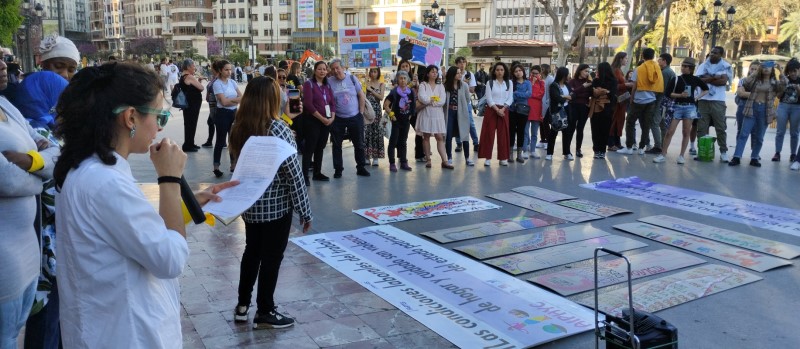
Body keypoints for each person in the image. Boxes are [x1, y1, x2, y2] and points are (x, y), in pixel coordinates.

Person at [53, 62, 236, 348]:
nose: (160, 128)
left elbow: (133, 233)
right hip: (126, 333)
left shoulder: (91, 168)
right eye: (160, 116)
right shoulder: (106, 182)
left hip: (108, 326)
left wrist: (187, 204)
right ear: (130, 118)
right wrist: (169, 178)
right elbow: (170, 259)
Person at [228, 76, 312, 329]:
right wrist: (305, 211)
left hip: (250, 205)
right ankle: (265, 310)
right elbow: (293, 174)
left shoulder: (239, 126)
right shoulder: (277, 129)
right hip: (276, 206)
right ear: (271, 99)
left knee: (251, 253)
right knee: (272, 258)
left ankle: (243, 306)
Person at [0, 59, 60, 349]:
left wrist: (29, 161)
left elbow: (54, 153)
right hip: (4, 257)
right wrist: (40, 176)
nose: (2, 65)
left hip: (27, 251)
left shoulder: (7, 107)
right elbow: (5, 179)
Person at [653, 57, 709, 165]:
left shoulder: (695, 79)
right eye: (682, 66)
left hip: (690, 107)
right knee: (670, 131)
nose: (683, 68)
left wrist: (697, 97)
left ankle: (681, 155)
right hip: (677, 106)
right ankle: (663, 154)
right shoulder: (676, 79)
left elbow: (706, 89)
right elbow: (668, 93)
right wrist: (680, 95)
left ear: (691, 68)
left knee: (686, 131)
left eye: (686, 66)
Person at [730, 61, 780, 167]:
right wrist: (756, 71)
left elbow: (783, 86)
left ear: (772, 70)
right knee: (744, 133)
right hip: (752, 107)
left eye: (768, 67)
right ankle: (737, 157)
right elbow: (745, 82)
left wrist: (780, 70)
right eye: (764, 67)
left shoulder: (774, 82)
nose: (766, 69)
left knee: (759, 136)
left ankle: (754, 157)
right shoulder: (755, 80)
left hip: (765, 110)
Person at [327, 58, 370, 178]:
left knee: (359, 144)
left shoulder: (352, 78)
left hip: (355, 116)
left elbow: (361, 95)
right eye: (333, 69)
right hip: (338, 118)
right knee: (336, 145)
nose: (336, 71)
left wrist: (361, 113)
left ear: (343, 68)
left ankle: (361, 167)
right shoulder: (329, 81)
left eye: (337, 68)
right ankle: (338, 170)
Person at [618, 48, 663, 155]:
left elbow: (634, 85)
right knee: (646, 124)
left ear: (643, 56)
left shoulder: (639, 68)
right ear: (653, 56)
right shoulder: (657, 67)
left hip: (639, 100)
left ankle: (629, 147)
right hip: (651, 100)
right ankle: (642, 148)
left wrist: (632, 98)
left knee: (630, 122)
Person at [695, 46, 734, 162]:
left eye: (715, 53)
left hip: (718, 101)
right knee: (701, 128)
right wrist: (714, 77)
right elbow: (699, 80)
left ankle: (723, 152)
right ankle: (701, 151)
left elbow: (723, 82)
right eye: (711, 52)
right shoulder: (703, 66)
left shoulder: (725, 66)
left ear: (721, 55)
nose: (712, 54)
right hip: (703, 100)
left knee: (720, 128)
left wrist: (707, 78)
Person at [302, 61, 335, 185]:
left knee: (320, 147)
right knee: (310, 148)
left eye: (324, 69)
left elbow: (332, 103)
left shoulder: (328, 86)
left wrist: (332, 117)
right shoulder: (308, 84)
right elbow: (308, 104)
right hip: (313, 121)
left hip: (326, 121)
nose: (322, 71)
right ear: (315, 70)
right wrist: (322, 118)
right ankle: (304, 176)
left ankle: (317, 173)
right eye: (320, 69)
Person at [416, 65, 451, 169]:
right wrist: (431, 101)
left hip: (437, 115)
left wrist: (431, 101)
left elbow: (442, 101)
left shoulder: (441, 86)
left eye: (436, 72)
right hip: (426, 113)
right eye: (432, 72)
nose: (434, 73)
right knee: (426, 136)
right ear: (427, 73)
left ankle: (444, 161)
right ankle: (428, 160)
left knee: (439, 137)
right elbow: (422, 97)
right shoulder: (423, 85)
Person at [478, 62, 513, 166]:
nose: (499, 72)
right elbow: (488, 98)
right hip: (492, 110)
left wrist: (503, 108)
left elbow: (510, 97)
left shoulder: (509, 83)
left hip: (504, 110)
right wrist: (497, 109)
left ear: (505, 71)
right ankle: (487, 158)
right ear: (494, 71)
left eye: (502, 70)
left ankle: (503, 158)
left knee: (503, 135)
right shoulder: (490, 83)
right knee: (488, 134)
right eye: (497, 70)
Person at [212, 60, 242, 177]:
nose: (229, 72)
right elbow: (223, 102)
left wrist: (231, 101)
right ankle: (216, 166)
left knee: (233, 140)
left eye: (230, 69)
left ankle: (233, 165)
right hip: (222, 114)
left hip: (234, 113)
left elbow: (242, 97)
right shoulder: (217, 84)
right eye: (226, 69)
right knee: (220, 141)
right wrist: (235, 101)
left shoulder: (233, 82)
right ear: (220, 70)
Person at [383, 70, 416, 172]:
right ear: (397, 79)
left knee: (403, 142)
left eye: (404, 78)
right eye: (401, 78)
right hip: (396, 121)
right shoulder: (394, 92)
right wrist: (392, 116)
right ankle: (392, 163)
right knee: (393, 142)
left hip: (406, 121)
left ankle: (403, 162)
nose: (402, 80)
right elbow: (386, 105)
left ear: (407, 80)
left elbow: (413, 106)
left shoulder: (411, 92)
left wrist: (410, 116)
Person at [443, 66, 474, 167]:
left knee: (464, 134)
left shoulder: (464, 85)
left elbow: (467, 99)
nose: (460, 75)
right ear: (452, 75)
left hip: (461, 112)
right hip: (449, 112)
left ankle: (468, 158)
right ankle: (449, 158)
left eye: (460, 73)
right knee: (448, 135)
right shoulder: (445, 86)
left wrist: (462, 106)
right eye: (458, 73)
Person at [773, 58, 800, 163]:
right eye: (790, 71)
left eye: (795, 71)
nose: (792, 73)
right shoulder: (784, 79)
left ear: (798, 70)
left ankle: (793, 154)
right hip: (783, 106)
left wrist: (798, 89)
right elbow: (778, 96)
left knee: (794, 132)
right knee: (780, 131)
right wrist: (783, 88)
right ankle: (777, 153)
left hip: (797, 107)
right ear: (787, 71)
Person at [589, 62, 617, 159]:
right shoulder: (613, 81)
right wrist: (605, 91)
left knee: (595, 129)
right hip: (608, 109)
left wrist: (599, 91)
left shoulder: (596, 81)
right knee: (605, 130)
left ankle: (596, 150)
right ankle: (602, 151)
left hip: (596, 108)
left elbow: (593, 93)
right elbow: (611, 95)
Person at [650, 53, 676, 154]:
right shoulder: (669, 71)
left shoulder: (665, 73)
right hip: (667, 101)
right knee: (662, 124)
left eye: (660, 59)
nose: (658, 61)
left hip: (662, 101)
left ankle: (658, 146)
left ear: (664, 61)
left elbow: (661, 89)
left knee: (654, 123)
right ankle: (663, 146)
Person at [545, 67, 573, 161]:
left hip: (566, 109)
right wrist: (566, 97)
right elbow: (557, 98)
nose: (568, 76)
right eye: (567, 74)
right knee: (553, 132)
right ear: (563, 75)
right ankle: (549, 153)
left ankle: (567, 152)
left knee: (567, 132)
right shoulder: (554, 85)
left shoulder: (567, 85)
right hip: (556, 111)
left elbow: (573, 94)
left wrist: (565, 96)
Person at [178, 59, 205, 152]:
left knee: (190, 123)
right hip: (192, 104)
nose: (195, 68)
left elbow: (193, 88)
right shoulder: (189, 76)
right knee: (191, 123)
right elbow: (201, 88)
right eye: (194, 66)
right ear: (188, 67)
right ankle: (188, 145)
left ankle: (190, 143)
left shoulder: (183, 76)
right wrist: (199, 82)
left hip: (189, 103)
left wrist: (199, 81)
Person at [454, 57, 480, 152]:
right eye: (460, 62)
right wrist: (464, 83)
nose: (462, 64)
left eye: (463, 62)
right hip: (456, 102)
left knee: (470, 123)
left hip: (466, 102)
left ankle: (476, 142)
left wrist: (463, 84)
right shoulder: (453, 74)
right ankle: (459, 143)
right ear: (456, 64)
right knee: (457, 123)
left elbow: (472, 89)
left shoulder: (469, 75)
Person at [567, 64, 593, 158]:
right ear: (580, 71)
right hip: (573, 107)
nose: (587, 73)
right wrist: (582, 87)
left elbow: (589, 94)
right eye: (585, 71)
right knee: (571, 128)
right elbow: (571, 93)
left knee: (580, 129)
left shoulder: (589, 82)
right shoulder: (572, 81)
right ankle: (567, 150)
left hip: (584, 107)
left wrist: (578, 92)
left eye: (588, 71)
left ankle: (578, 149)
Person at [609, 52, 632, 151]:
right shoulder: (615, 71)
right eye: (626, 58)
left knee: (619, 121)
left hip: (621, 100)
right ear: (620, 59)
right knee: (614, 121)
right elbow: (613, 86)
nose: (627, 60)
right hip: (616, 100)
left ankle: (617, 142)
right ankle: (611, 143)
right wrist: (627, 85)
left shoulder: (619, 70)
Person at [510, 64, 532, 163]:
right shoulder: (511, 83)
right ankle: (510, 154)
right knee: (511, 131)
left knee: (521, 131)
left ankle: (519, 155)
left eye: (520, 70)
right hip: (512, 110)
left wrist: (516, 93)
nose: (518, 72)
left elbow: (529, 94)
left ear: (523, 71)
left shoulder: (528, 83)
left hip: (523, 110)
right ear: (513, 73)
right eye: (516, 71)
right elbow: (511, 96)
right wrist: (519, 95)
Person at [364, 67, 385, 167]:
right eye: (371, 71)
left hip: (377, 110)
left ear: (378, 73)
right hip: (367, 111)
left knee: (377, 132)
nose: (373, 73)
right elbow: (362, 96)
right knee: (367, 132)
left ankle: (376, 157)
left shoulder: (381, 84)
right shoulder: (366, 83)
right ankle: (367, 156)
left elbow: (381, 97)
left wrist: (371, 91)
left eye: (375, 71)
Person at [523, 65, 545, 160]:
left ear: (540, 74)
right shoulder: (527, 81)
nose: (535, 75)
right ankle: (525, 150)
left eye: (537, 73)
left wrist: (531, 94)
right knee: (525, 132)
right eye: (533, 73)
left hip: (537, 110)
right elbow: (526, 93)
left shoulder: (542, 83)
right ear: (530, 73)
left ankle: (532, 150)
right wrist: (532, 85)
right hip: (527, 109)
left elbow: (541, 94)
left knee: (534, 133)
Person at [202, 62, 219, 148]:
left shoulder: (218, 79)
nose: (210, 69)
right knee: (211, 122)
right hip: (212, 104)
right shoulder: (214, 78)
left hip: (215, 104)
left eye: (212, 67)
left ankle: (212, 141)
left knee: (213, 122)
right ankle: (211, 141)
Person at [537, 64, 554, 150]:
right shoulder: (540, 78)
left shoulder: (550, 79)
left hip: (547, 104)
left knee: (546, 122)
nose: (541, 70)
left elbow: (552, 92)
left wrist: (548, 102)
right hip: (540, 103)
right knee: (541, 122)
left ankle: (548, 141)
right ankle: (543, 140)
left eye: (542, 68)